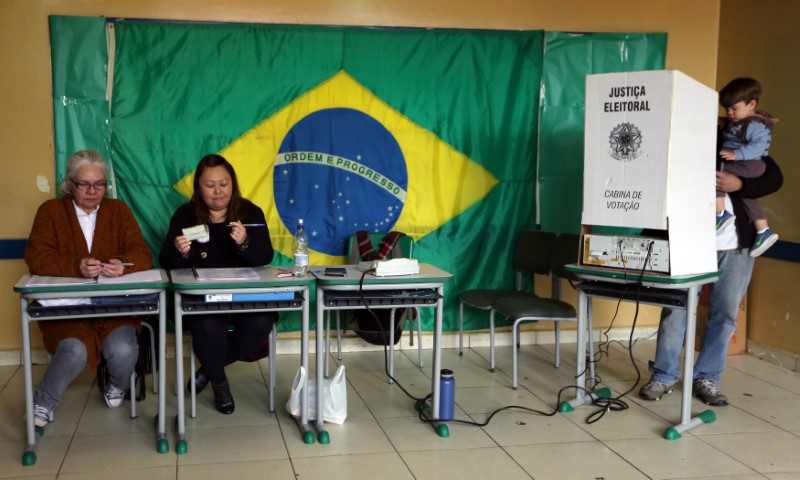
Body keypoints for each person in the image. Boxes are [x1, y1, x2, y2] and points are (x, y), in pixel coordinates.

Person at [640, 155, 783, 405]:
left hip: (735, 247)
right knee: (675, 309)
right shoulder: (687, 140)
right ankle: (663, 375)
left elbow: (773, 178)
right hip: (687, 242)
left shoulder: (743, 145)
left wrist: (739, 185)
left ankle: (707, 378)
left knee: (724, 314)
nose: (730, 114)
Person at [24, 150, 152, 427]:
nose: (93, 191)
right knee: (73, 351)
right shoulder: (51, 211)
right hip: (69, 308)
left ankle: (116, 385)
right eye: (84, 184)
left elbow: (142, 253)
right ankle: (43, 402)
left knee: (125, 350)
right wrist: (76, 266)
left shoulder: (118, 210)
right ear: (69, 184)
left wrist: (122, 264)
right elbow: (36, 258)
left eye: (100, 184)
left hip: (114, 306)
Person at [159, 154, 276, 414]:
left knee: (261, 322)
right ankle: (220, 384)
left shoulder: (249, 212)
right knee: (207, 326)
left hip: (244, 295)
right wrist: (181, 251)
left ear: (232, 183)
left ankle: (209, 370)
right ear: (199, 187)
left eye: (223, 183)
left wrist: (245, 242)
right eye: (209, 185)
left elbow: (265, 256)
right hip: (203, 296)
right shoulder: (186, 215)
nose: (217, 191)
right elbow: (165, 260)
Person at [715, 77, 779, 257]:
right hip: (706, 241)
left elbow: (761, 148)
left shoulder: (754, 125)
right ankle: (763, 230)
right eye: (726, 109)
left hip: (737, 243)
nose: (729, 113)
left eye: (734, 108)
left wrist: (737, 157)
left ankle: (722, 214)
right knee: (748, 198)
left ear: (751, 104)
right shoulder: (732, 124)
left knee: (715, 176)